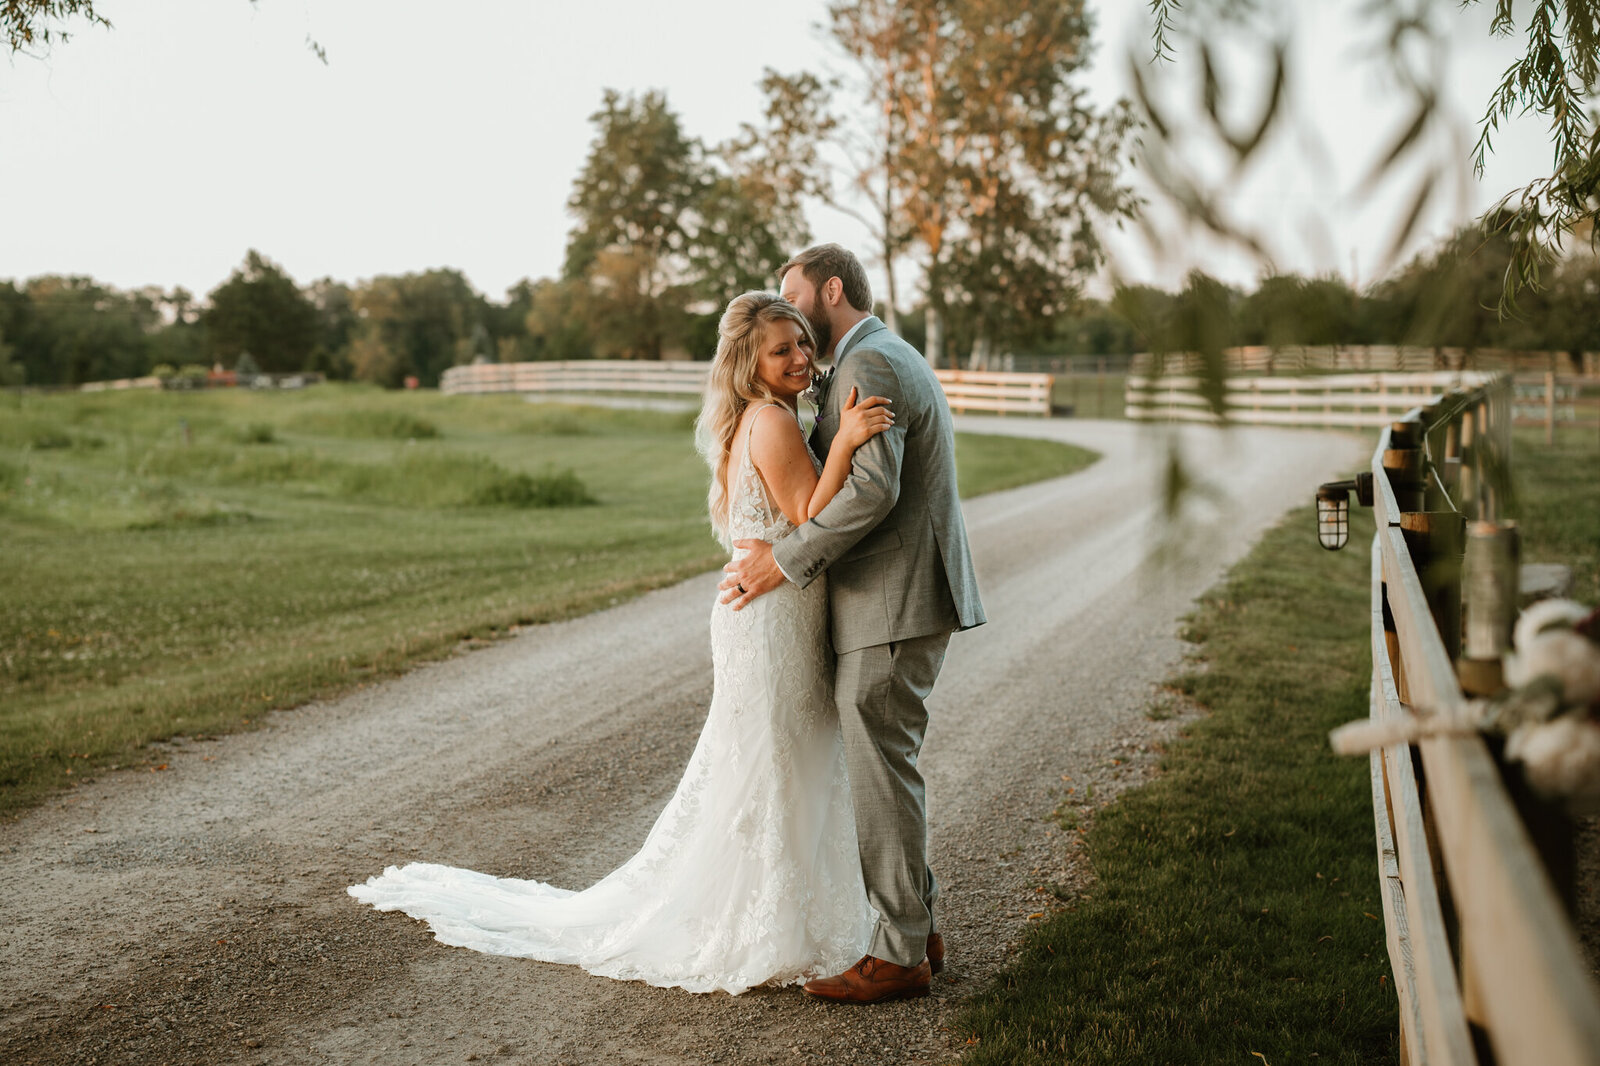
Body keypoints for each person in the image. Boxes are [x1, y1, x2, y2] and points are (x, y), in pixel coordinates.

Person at [348, 292, 895, 995]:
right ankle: (764, 924)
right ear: (749, 362)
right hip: (770, 618)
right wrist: (847, 439)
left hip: (770, 609)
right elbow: (807, 512)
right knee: (777, 762)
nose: (800, 357)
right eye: (781, 348)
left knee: (777, 762)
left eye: (801, 342)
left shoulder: (761, 416)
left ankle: (783, 917)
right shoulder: (770, 421)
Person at [720, 243, 985, 1004]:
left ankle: (901, 951)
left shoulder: (871, 365)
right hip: (890, 598)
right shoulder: (874, 356)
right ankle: (917, 926)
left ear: (830, 289)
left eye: (795, 297)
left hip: (894, 599)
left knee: (881, 763)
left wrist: (786, 559)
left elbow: (869, 496)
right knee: (881, 761)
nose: (791, 314)